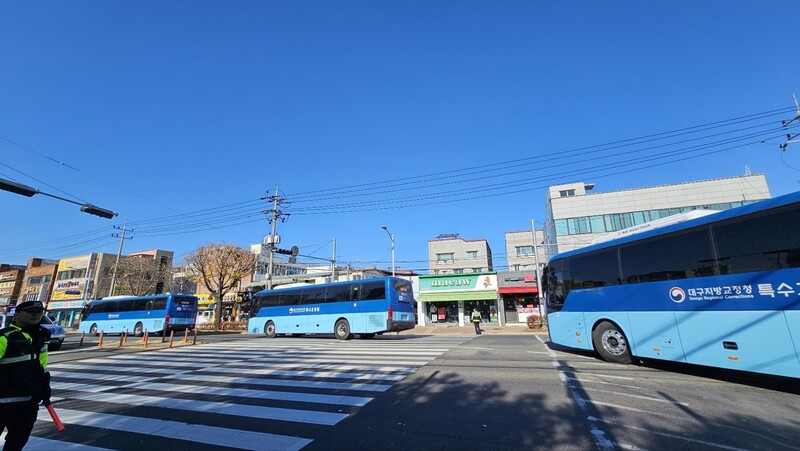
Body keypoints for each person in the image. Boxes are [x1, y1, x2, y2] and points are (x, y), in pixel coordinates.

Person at [0, 301, 52, 451]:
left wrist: (45, 387)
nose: (36, 315)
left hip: (26, 402)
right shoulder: (5, 337)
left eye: (39, 311)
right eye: (30, 311)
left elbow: (42, 367)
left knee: (17, 442)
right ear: (16, 315)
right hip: (2, 402)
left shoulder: (41, 337)